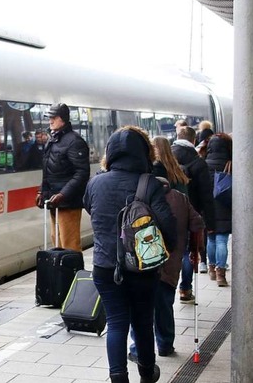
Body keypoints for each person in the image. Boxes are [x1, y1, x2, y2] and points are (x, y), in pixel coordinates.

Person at [83, 126, 176, 383]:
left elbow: (91, 208)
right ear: (145, 152)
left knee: (116, 323)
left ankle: (118, 377)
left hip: (104, 266)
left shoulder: (95, 182)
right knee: (143, 322)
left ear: (110, 153)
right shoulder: (149, 183)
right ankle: (147, 373)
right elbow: (168, 226)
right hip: (142, 268)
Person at [128, 176, 205, 361]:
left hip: (143, 264)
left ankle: (136, 348)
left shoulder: (138, 199)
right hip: (170, 265)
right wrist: (197, 250)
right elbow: (197, 224)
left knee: (140, 308)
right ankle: (165, 344)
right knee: (164, 306)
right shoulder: (180, 198)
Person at [35, 103, 90, 251]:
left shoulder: (74, 141)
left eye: (54, 117)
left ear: (63, 119)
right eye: (49, 117)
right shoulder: (53, 139)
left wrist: (63, 194)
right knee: (57, 242)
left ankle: (74, 273)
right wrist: (42, 192)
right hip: (55, 200)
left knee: (69, 245)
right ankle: (60, 274)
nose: (50, 121)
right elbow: (47, 171)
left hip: (69, 202)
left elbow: (82, 172)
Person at [172, 126, 215, 299]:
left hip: (167, 211)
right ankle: (185, 289)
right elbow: (206, 195)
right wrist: (210, 223)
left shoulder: (167, 157)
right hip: (192, 213)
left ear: (177, 137)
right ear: (194, 140)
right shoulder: (198, 162)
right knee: (189, 251)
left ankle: (168, 285)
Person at [204, 133, 232, 286]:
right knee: (222, 240)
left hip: (208, 207)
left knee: (211, 239)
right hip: (225, 205)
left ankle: (212, 269)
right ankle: (221, 274)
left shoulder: (204, 163)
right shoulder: (231, 164)